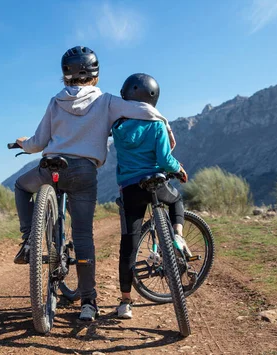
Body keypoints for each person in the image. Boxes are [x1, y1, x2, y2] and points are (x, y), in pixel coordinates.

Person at [13, 47, 175, 322]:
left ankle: (29, 239)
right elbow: (142, 109)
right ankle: (88, 303)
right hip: (84, 172)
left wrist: (22, 145)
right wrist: (164, 123)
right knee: (84, 236)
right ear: (95, 75)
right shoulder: (107, 101)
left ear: (65, 75)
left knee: (21, 186)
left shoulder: (55, 102)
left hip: (52, 166)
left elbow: (38, 143)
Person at [111, 73, 188, 319]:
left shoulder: (118, 126)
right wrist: (178, 169)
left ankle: (125, 303)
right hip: (155, 183)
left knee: (128, 245)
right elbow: (165, 160)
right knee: (175, 199)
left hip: (130, 188)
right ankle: (178, 238)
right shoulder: (157, 124)